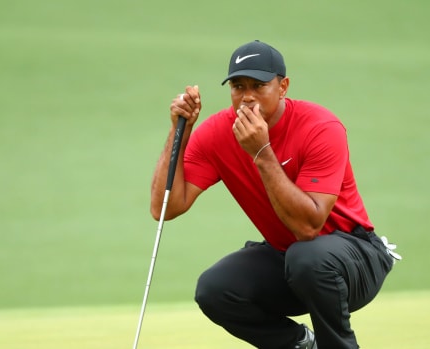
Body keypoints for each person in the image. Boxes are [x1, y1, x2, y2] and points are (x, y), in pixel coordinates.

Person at [150, 40, 401, 349]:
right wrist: (179, 132)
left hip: (355, 258)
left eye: (259, 85)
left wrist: (262, 153)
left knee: (306, 257)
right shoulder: (219, 132)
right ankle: (297, 344)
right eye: (238, 86)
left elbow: (309, 227)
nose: (247, 98)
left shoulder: (321, 126)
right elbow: (166, 207)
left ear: (283, 86)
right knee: (215, 289)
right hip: (292, 260)